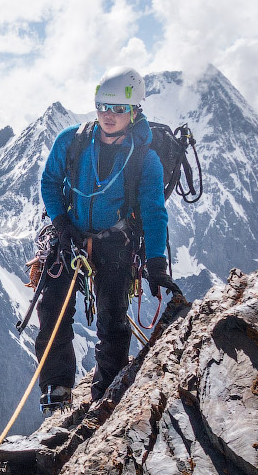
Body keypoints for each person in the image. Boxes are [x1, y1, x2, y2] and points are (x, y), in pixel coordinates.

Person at [35, 67, 181, 410]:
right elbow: (49, 181)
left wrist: (156, 260)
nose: (109, 116)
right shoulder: (72, 141)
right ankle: (56, 389)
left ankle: (107, 394)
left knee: (113, 318)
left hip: (115, 242)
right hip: (69, 235)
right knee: (53, 307)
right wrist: (60, 221)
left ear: (134, 111)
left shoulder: (145, 158)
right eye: (103, 107)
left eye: (118, 109)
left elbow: (153, 211)